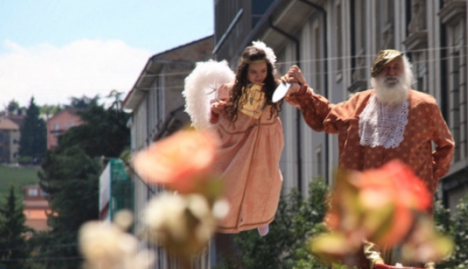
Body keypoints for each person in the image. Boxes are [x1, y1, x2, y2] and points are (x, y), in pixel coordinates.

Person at [283, 49, 454, 199]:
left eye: (396, 67)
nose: (391, 73)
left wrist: (426, 177)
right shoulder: (358, 103)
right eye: (385, 68)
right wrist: (302, 91)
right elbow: (327, 116)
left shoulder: (425, 105)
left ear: (405, 73)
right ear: (376, 74)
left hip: (406, 203)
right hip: (363, 204)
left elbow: (446, 146)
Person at [184, 41, 284, 236]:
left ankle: (261, 218)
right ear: (245, 72)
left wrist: (293, 87)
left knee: (266, 180)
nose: (259, 76)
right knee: (232, 179)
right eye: (254, 72)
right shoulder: (234, 90)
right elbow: (223, 106)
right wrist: (219, 108)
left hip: (266, 140)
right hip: (241, 138)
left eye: (263, 71)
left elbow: (286, 91)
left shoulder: (273, 87)